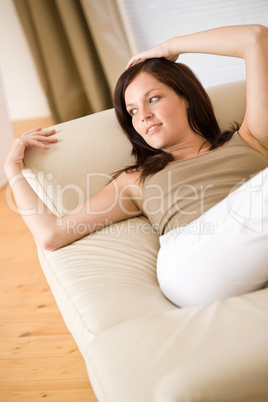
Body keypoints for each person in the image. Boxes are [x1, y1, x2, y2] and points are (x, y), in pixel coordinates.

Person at [4, 25, 268, 307]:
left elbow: (256, 38)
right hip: (193, 264)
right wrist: (13, 170)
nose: (143, 116)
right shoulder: (136, 180)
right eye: (132, 111)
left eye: (153, 98)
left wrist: (170, 46)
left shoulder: (251, 138)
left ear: (186, 98)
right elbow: (51, 234)